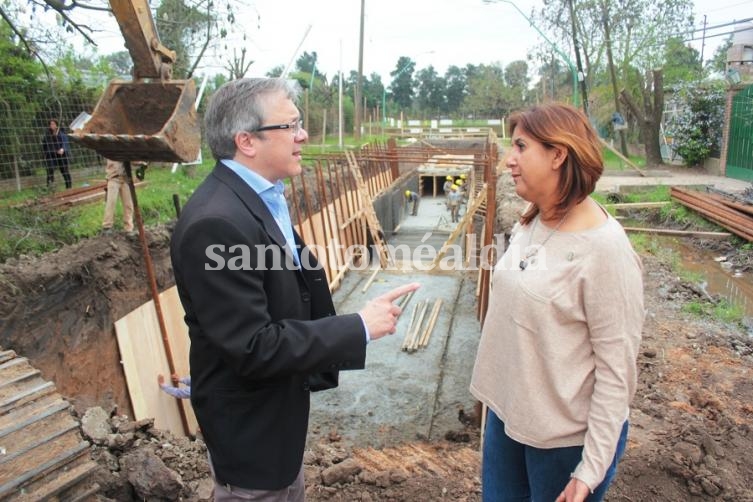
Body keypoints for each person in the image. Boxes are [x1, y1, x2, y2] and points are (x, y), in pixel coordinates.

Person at [170, 77, 419, 501]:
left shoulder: (260, 198)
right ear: (246, 141)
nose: (303, 135)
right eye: (290, 126)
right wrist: (356, 327)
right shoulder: (217, 223)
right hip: (249, 434)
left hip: (274, 421)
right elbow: (253, 346)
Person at [469, 103, 644, 502]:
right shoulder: (533, 221)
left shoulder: (605, 251)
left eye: (520, 147)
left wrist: (591, 467)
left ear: (558, 154)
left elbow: (617, 371)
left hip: (563, 442)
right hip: (509, 418)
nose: (508, 160)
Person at [101, 159, 135, 235]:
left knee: (128, 205)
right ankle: (107, 227)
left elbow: (132, 160)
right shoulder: (112, 150)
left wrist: (142, 162)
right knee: (111, 203)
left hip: (126, 178)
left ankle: (128, 228)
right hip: (113, 178)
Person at [41, 119, 72, 189]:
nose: (52, 125)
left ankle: (69, 186)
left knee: (64, 170)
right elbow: (45, 145)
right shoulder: (47, 135)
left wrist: (62, 149)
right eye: (51, 124)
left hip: (61, 155)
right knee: (50, 170)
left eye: (53, 124)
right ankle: (50, 187)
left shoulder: (61, 133)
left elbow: (65, 142)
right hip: (51, 155)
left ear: (56, 125)